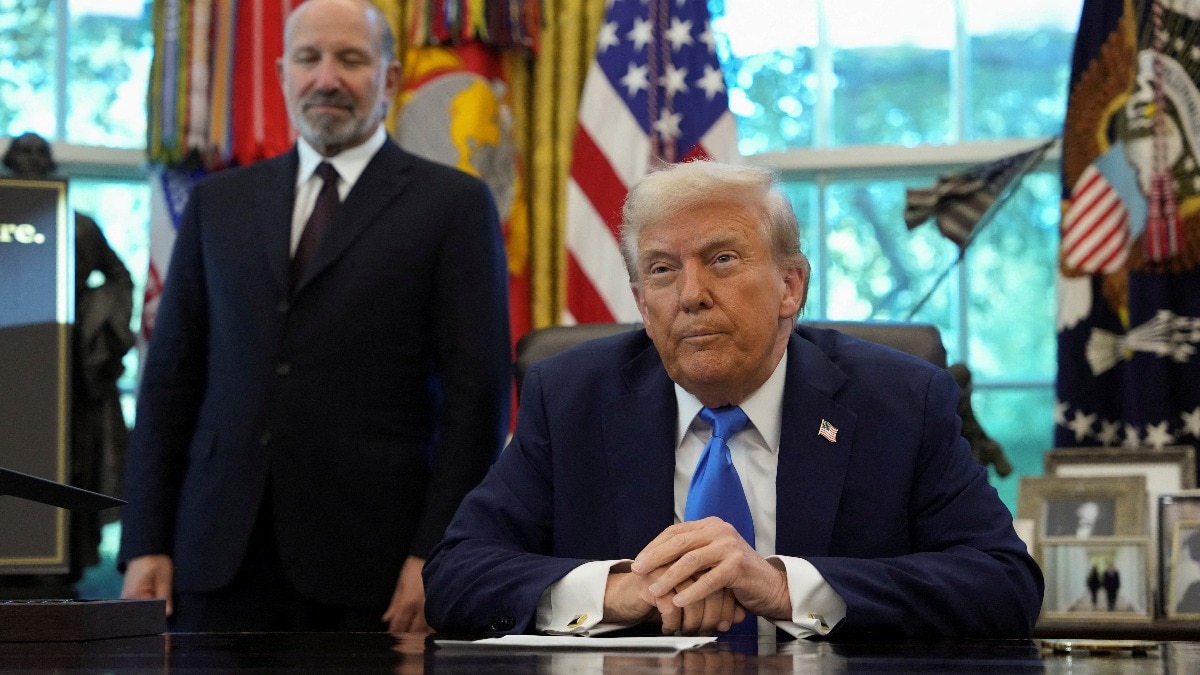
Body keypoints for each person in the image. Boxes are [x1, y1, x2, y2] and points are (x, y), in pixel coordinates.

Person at [423, 160, 1043, 639]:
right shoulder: (571, 397)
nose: (691, 294)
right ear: (641, 305)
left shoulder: (900, 400)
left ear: (790, 286)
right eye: (662, 270)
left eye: (722, 259)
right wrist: (620, 591)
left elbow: (1004, 583)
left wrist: (783, 586)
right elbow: (455, 576)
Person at [118, 0, 510, 632]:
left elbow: (477, 403)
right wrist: (144, 540)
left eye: (350, 59)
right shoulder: (218, 203)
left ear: (387, 78)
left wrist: (437, 556)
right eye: (308, 58)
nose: (326, 78)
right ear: (282, 74)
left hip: (374, 570)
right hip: (213, 560)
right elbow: (170, 385)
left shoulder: (454, 205)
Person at [3, 132, 135, 588]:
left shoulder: (79, 224)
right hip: (8, 362)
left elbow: (118, 275)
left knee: (68, 459)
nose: (34, 161)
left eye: (42, 153)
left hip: (65, 370)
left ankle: (60, 564)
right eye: (24, 153)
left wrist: (96, 326)